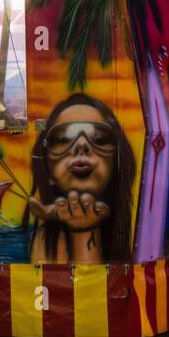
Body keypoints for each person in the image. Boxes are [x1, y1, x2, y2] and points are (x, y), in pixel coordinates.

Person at [24, 92, 136, 264]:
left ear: (118, 163)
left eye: (99, 138)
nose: (81, 145)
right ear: (47, 168)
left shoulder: (138, 233)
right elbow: (70, 289)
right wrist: (83, 230)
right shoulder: (46, 242)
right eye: (62, 139)